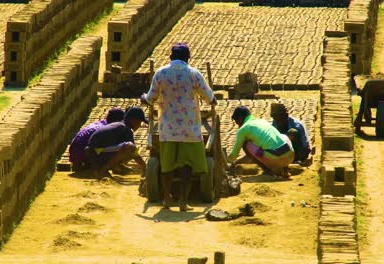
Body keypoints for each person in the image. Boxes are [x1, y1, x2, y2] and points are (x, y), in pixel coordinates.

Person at [141, 42, 216, 211]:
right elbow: (207, 95)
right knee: (187, 165)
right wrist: (212, 101)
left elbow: (151, 98)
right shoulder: (194, 74)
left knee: (166, 166)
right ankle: (183, 201)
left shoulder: (160, 73)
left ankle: (167, 199)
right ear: (188, 58)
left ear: (171, 57)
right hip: (190, 129)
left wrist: (143, 97)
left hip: (167, 129)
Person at [228, 106, 294, 176]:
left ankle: (267, 170)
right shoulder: (262, 121)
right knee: (282, 137)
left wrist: (226, 162)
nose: (237, 124)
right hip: (290, 156)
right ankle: (285, 170)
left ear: (240, 118)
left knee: (245, 144)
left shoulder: (243, 129)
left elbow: (234, 154)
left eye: (237, 121)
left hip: (274, 160)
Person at [85, 107, 147, 179]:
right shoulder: (126, 129)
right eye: (139, 122)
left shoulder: (120, 125)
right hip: (95, 152)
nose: (140, 125)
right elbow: (134, 152)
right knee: (130, 147)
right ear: (133, 120)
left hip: (95, 151)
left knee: (127, 150)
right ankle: (103, 171)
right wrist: (145, 167)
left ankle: (115, 167)